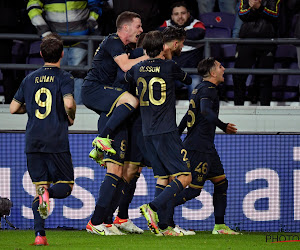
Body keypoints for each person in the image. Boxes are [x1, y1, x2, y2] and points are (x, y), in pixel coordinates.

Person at [84, 11, 149, 236]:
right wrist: (151, 57)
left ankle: (113, 220)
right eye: (138, 26)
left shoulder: (129, 49)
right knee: (132, 100)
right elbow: (125, 66)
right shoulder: (113, 41)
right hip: (93, 91)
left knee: (127, 171)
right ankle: (103, 137)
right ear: (126, 28)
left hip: (111, 100)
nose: (141, 30)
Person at [9, 34, 76, 245]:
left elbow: (13, 108)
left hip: (33, 141)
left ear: (40, 54)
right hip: (55, 140)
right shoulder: (64, 77)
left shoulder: (29, 78)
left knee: (40, 189)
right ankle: (49, 194)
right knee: (65, 187)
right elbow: (69, 103)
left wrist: (31, 110)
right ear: (62, 54)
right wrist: (71, 117)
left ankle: (40, 236)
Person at [125, 30, 192, 236]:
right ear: (163, 47)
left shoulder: (136, 68)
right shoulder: (169, 66)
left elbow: (127, 78)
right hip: (166, 130)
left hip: (147, 131)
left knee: (162, 176)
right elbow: (187, 80)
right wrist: (168, 57)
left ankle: (162, 227)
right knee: (185, 176)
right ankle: (152, 207)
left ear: (145, 49)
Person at [175, 57, 239, 235]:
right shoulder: (209, 89)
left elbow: (188, 114)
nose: (223, 69)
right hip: (199, 147)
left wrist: (176, 136)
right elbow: (204, 110)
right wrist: (223, 126)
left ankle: (219, 226)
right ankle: (156, 209)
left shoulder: (199, 88)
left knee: (221, 182)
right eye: (220, 66)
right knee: (194, 191)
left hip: (205, 146)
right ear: (212, 73)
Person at [27, 0, 104, 104]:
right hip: (55, 39)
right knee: (55, 75)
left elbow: (96, 3)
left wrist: (91, 21)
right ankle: (55, 110)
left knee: (79, 74)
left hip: (81, 37)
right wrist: (45, 32)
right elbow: (33, 7)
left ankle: (79, 112)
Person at [232, 0, 281, 106]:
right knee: (239, 76)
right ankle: (238, 106)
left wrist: (259, 7)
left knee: (265, 78)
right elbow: (242, 15)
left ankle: (265, 107)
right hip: (246, 41)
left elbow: (275, 14)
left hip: (267, 41)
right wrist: (252, 8)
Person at [158, 1, 206, 99]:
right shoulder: (166, 23)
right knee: (159, 84)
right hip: (172, 73)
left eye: (183, 13)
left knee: (196, 85)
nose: (180, 16)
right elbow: (159, 32)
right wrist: (183, 33)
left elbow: (198, 33)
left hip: (192, 74)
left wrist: (173, 34)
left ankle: (194, 113)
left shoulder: (196, 23)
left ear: (188, 14)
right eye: (176, 14)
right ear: (171, 16)